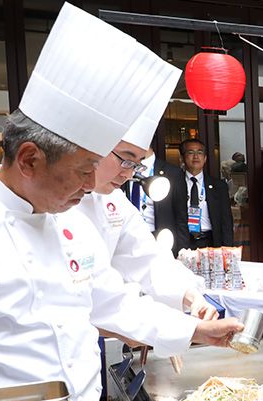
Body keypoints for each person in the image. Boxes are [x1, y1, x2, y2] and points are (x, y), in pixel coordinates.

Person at [0, 4, 241, 401]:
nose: (91, 185)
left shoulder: (69, 223)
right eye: (85, 169)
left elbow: (115, 302)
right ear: (28, 159)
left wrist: (197, 329)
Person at [78, 69, 215, 318]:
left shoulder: (113, 199)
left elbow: (147, 258)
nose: (129, 175)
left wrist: (193, 298)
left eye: (137, 164)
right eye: (126, 161)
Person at [178, 138, 233, 249]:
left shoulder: (219, 186)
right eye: (190, 152)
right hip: (183, 242)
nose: (196, 156)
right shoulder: (174, 184)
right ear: (182, 159)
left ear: (205, 158)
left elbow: (226, 221)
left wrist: (227, 248)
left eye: (199, 152)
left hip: (210, 242)